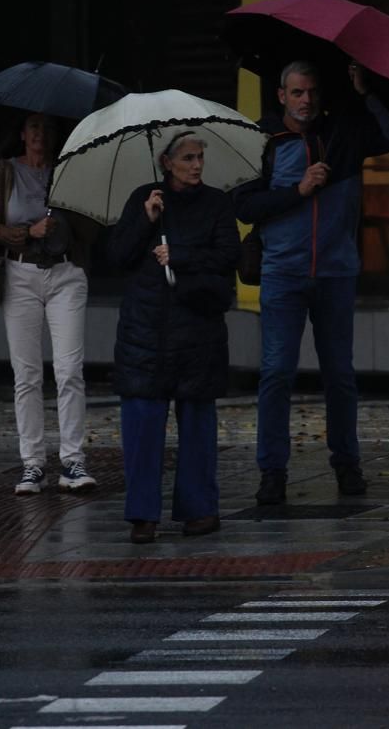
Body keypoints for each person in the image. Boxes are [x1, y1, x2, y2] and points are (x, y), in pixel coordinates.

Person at [233, 60, 389, 505]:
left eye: (311, 91)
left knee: (340, 376)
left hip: (335, 273)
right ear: (281, 96)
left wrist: (367, 93)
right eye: (296, 92)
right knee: (275, 373)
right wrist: (299, 191)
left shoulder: (343, 133)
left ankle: (347, 464)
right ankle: (272, 472)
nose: (305, 100)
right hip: (282, 274)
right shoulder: (263, 140)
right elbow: (244, 207)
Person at [109, 132, 240, 543]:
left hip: (197, 332)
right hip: (146, 332)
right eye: (187, 158)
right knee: (143, 425)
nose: (196, 165)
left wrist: (180, 254)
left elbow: (227, 257)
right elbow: (118, 256)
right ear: (167, 162)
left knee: (198, 424)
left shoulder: (217, 204)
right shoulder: (144, 199)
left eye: (200, 157)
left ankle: (199, 509)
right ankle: (142, 515)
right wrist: (146, 219)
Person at [0, 113, 98, 495]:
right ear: (21, 132)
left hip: (65, 273)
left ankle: (73, 460)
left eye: (46, 127)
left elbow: (92, 229)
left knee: (69, 370)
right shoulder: (4, 171)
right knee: (26, 374)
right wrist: (27, 231)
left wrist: (66, 212)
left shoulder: (68, 170)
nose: (39, 134)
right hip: (20, 273)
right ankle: (33, 464)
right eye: (32, 126)